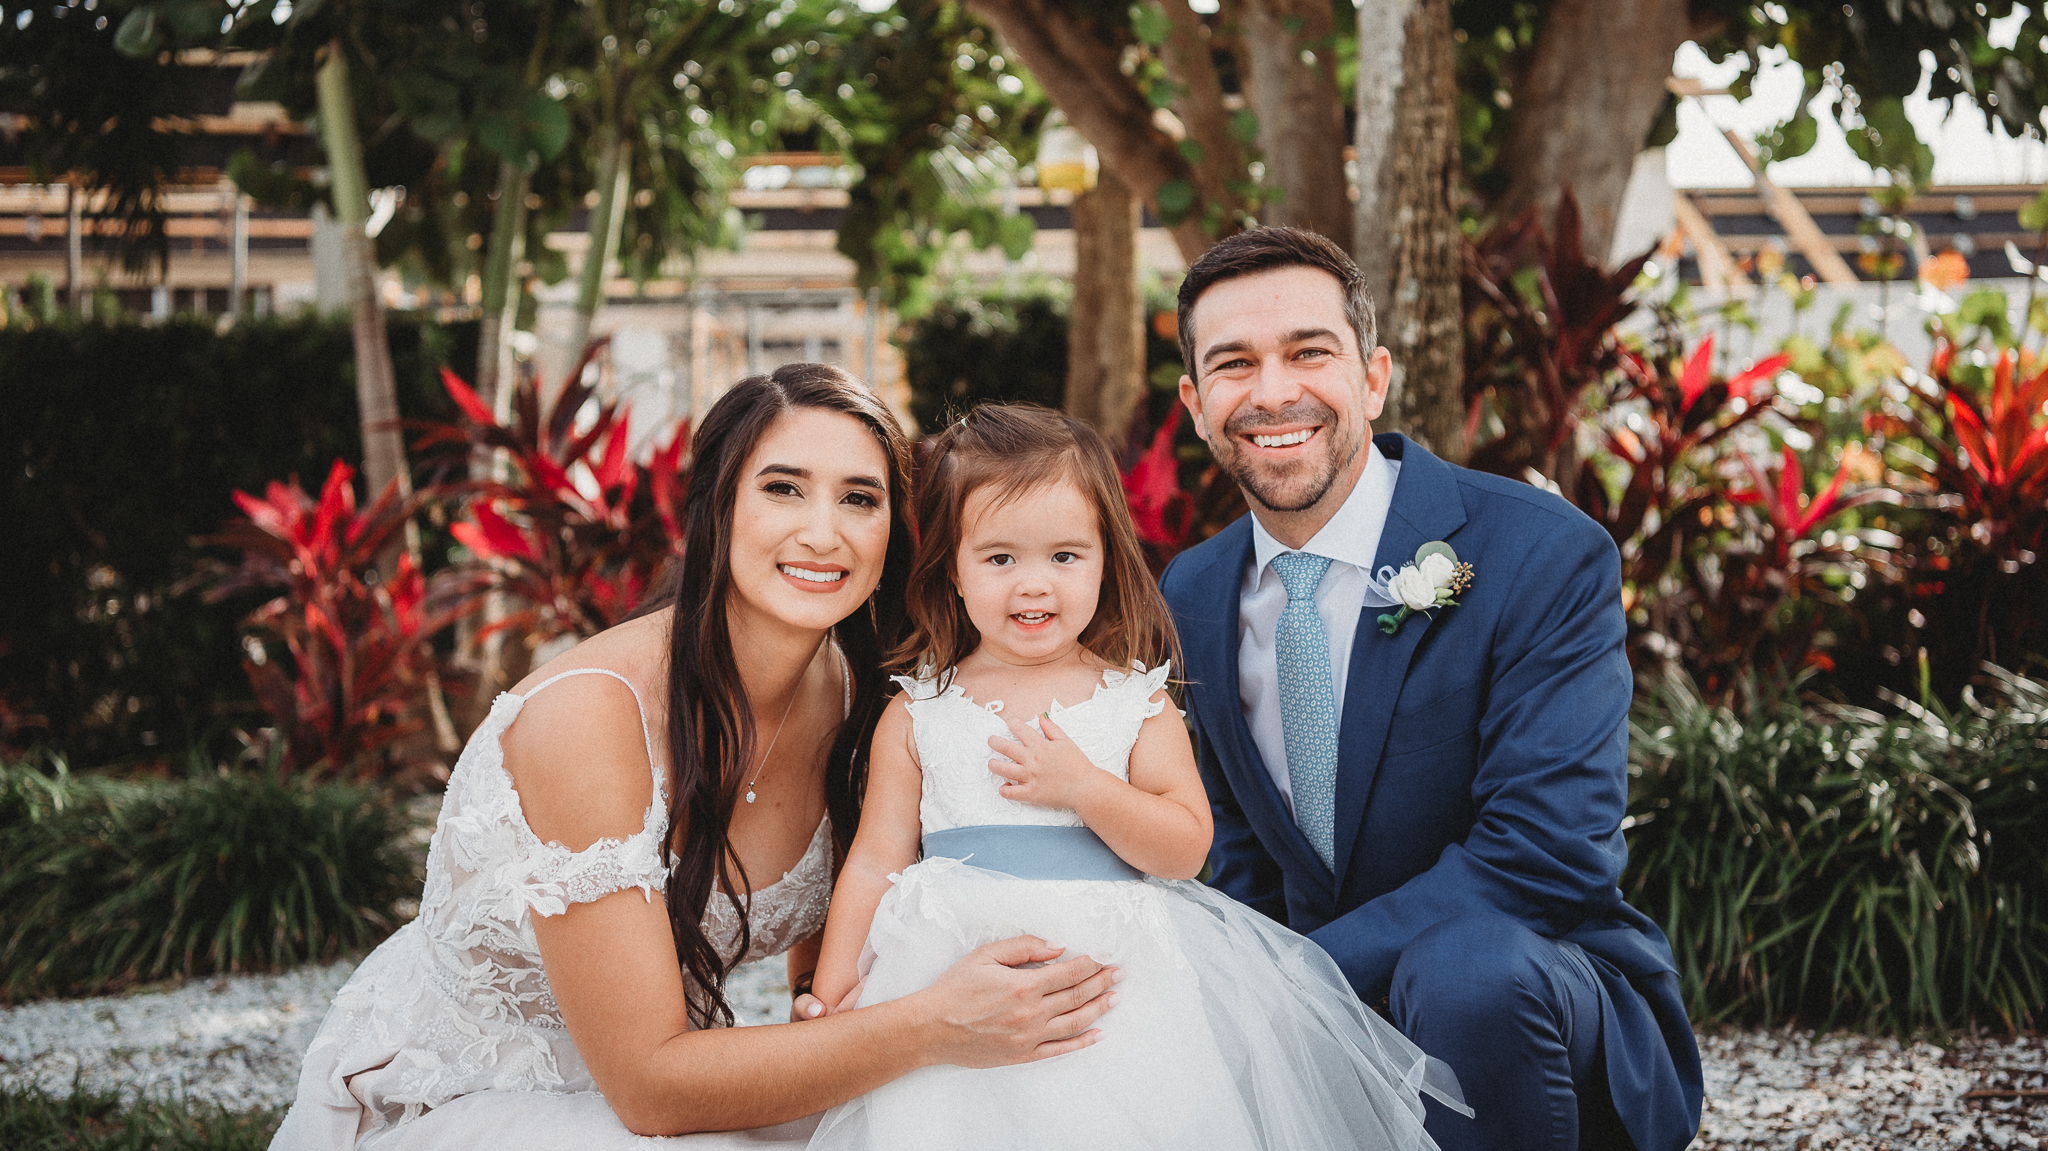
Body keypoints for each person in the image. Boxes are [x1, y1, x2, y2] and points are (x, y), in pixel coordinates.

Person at [270, 364, 1118, 1151]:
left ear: (895, 533)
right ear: (717, 506)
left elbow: (827, 968)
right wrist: (934, 1023)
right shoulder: (592, 716)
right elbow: (649, 1091)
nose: (822, 532)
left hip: (696, 1080)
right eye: (783, 488)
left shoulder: (865, 699)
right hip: (488, 1095)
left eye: (860, 498)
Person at [1158, 228, 1705, 1151]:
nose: (1273, 391)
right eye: (1234, 364)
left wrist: (1304, 977)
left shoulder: (1541, 552)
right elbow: (1235, 853)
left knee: (1466, 972)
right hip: (1317, 1027)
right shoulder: (1191, 592)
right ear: (1198, 405)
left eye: (1308, 352)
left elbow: (1543, 854)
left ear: (1372, 378)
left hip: (1524, 997)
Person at [804, 402, 1466, 1151]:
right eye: (999, 558)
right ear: (952, 569)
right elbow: (874, 858)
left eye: (1064, 556)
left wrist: (1086, 788)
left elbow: (1186, 846)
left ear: (1103, 559)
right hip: (946, 974)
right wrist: (834, 998)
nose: (1033, 585)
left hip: (1110, 990)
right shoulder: (920, 711)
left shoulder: (1132, 701)